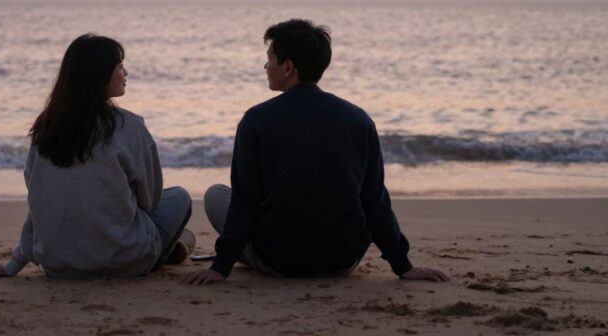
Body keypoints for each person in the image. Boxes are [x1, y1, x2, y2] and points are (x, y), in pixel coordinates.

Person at [182, 19, 449, 285]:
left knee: (216, 195)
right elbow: (374, 200)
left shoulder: (256, 120)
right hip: (341, 261)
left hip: (278, 261)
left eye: (269, 59)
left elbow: (245, 202)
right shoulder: (358, 119)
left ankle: (242, 254)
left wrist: (220, 267)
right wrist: (402, 265)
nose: (265, 67)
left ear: (287, 68)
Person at [0, 34, 195, 279]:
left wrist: (13, 265)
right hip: (123, 260)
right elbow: (150, 200)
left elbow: (39, 201)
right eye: (120, 67)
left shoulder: (46, 128)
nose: (126, 73)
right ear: (99, 75)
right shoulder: (130, 127)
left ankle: (168, 245)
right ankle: (163, 252)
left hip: (57, 263)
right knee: (178, 198)